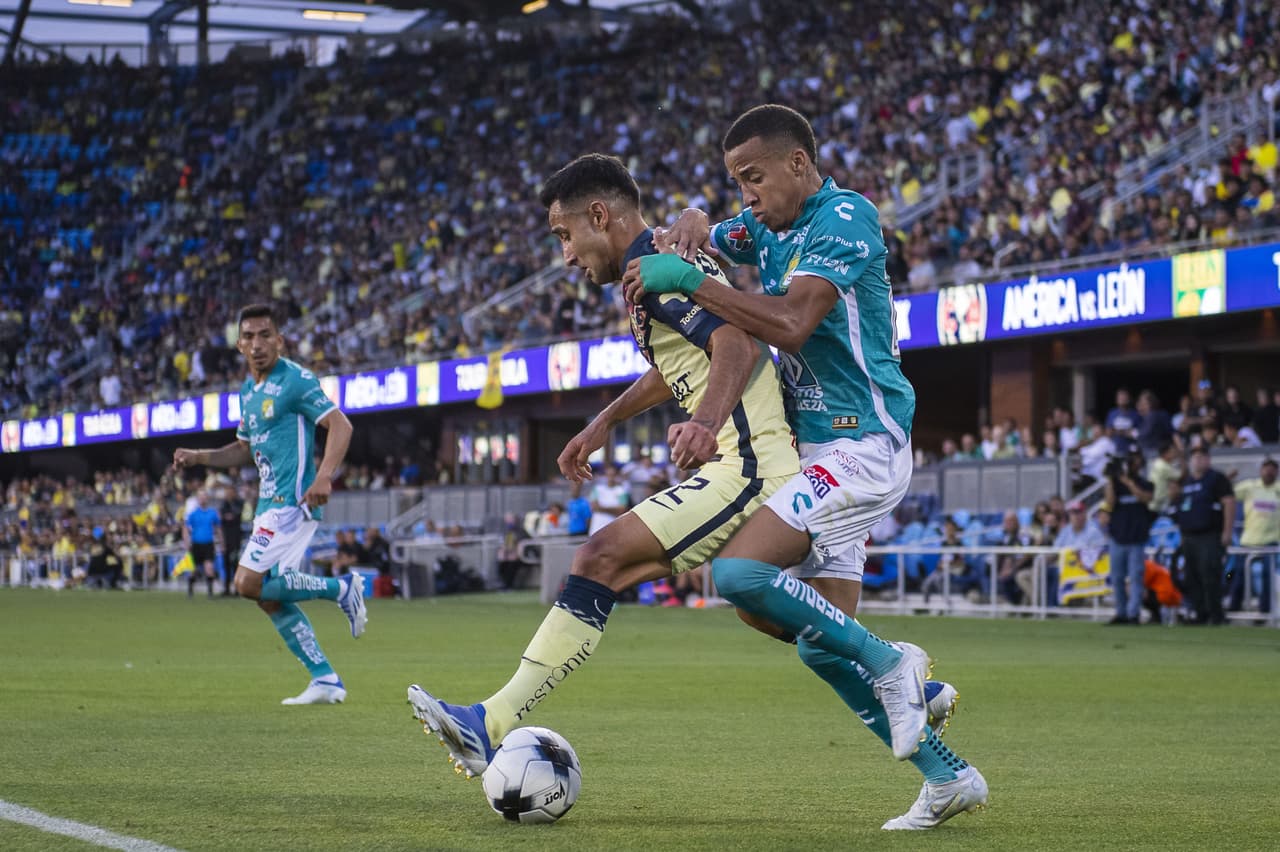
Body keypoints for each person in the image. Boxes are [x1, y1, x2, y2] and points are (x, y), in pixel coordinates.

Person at [407, 152, 961, 812]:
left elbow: (738, 346)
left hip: (751, 466)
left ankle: (489, 720)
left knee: (601, 556)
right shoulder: (660, 264)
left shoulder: (666, 272)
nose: (564, 256)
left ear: (599, 215)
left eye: (563, 236)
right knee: (819, 636)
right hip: (767, 458)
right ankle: (939, 759)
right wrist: (604, 421)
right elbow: (688, 355)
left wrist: (704, 421)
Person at [624, 105, 984, 828]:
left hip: (862, 445)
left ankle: (893, 662)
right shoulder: (761, 225)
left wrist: (692, 283)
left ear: (798, 164)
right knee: (818, 642)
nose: (746, 194)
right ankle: (948, 779)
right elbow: (706, 233)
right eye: (735, 181)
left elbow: (789, 323)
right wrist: (695, 215)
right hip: (813, 454)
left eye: (752, 177)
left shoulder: (846, 218)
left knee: (735, 575)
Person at [173, 303, 366, 705]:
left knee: (246, 583)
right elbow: (243, 449)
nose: (257, 344)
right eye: (249, 336)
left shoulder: (295, 379)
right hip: (268, 503)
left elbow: (340, 424)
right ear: (239, 345)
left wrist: (325, 474)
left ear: (279, 340)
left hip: (294, 500)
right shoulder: (248, 391)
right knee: (267, 595)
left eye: (265, 335)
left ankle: (342, 588)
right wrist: (199, 456)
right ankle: (325, 678)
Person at [1170, 446, 1236, 625]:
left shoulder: (1216, 479)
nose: (1198, 460)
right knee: (1192, 576)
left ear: (1208, 459)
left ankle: (1216, 615)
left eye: (1202, 456)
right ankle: (1200, 613)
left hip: (1210, 535)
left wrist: (1227, 531)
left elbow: (1229, 503)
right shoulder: (1187, 482)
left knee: (1210, 575)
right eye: (1195, 457)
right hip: (1189, 536)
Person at [1103, 448, 1154, 624]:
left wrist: (1128, 482)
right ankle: (1121, 612)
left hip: (1137, 539)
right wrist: (1111, 478)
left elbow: (1145, 498)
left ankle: (1133, 614)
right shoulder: (1116, 485)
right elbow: (1109, 503)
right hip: (1118, 537)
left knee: (1135, 578)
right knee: (1116, 578)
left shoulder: (1145, 483)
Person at [1227, 458, 1279, 613]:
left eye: (1272, 469)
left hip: (1271, 543)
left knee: (1267, 577)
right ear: (1260, 470)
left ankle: (1265, 611)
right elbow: (1227, 493)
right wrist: (1229, 478)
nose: (1269, 472)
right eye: (1266, 468)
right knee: (1236, 575)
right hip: (1248, 541)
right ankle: (1234, 607)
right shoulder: (1250, 487)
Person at [183, 490, 221, 598]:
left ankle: (210, 592)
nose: (203, 499)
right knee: (193, 570)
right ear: (198, 499)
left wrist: (222, 542)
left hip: (208, 544)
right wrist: (186, 541)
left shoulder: (212, 513)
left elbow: (218, 528)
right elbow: (186, 528)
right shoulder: (193, 514)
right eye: (200, 497)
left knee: (209, 568)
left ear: (207, 499)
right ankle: (190, 591)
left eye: (204, 497)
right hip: (196, 544)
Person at [587, 463, 630, 535]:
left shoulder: (621, 491)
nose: (610, 477)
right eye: (608, 475)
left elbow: (622, 510)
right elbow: (594, 507)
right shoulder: (597, 489)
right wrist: (613, 509)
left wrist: (601, 508)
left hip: (613, 531)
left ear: (617, 476)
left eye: (613, 475)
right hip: (596, 529)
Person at [219, 484, 245, 596]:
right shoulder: (223, 505)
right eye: (227, 492)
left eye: (230, 491)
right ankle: (226, 588)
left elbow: (236, 515)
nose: (228, 494)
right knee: (226, 564)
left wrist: (230, 516)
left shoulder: (239, 503)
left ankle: (236, 589)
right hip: (226, 539)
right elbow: (223, 516)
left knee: (235, 564)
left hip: (235, 539)